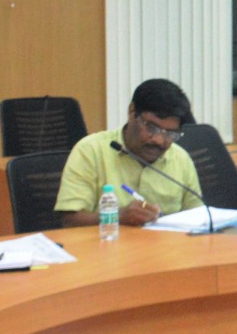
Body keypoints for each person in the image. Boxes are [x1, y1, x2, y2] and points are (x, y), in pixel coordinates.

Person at [55, 78, 202, 228]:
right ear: (132, 112)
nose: (158, 140)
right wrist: (118, 216)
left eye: (170, 134)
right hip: (108, 241)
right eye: (152, 128)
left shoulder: (181, 159)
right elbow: (70, 221)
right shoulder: (90, 150)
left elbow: (199, 218)